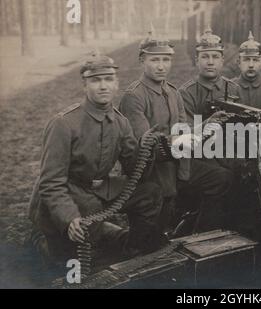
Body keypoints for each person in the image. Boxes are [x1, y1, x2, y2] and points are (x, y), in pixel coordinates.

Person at [28, 51, 166, 266]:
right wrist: (68, 218)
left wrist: (146, 147)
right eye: (95, 80)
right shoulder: (64, 123)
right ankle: (43, 240)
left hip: (99, 188)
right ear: (85, 85)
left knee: (150, 192)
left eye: (108, 79)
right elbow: (51, 182)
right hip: (67, 189)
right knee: (67, 258)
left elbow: (134, 168)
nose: (103, 86)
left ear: (116, 84)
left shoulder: (121, 122)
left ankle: (133, 249)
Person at [119, 28, 233, 233]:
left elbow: (183, 129)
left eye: (166, 60)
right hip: (152, 174)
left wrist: (205, 125)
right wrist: (183, 139)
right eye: (155, 60)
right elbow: (147, 148)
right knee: (155, 236)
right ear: (142, 61)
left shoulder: (172, 92)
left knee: (220, 178)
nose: (161, 66)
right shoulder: (134, 97)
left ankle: (204, 235)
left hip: (178, 168)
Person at [179, 27, 240, 125]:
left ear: (222, 61)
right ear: (197, 60)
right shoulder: (186, 93)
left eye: (215, 57)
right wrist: (206, 123)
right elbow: (185, 132)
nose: (210, 62)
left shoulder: (234, 89)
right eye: (205, 57)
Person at [232, 31, 261, 109]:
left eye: (255, 60)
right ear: (239, 63)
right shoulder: (230, 87)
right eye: (246, 60)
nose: (251, 65)